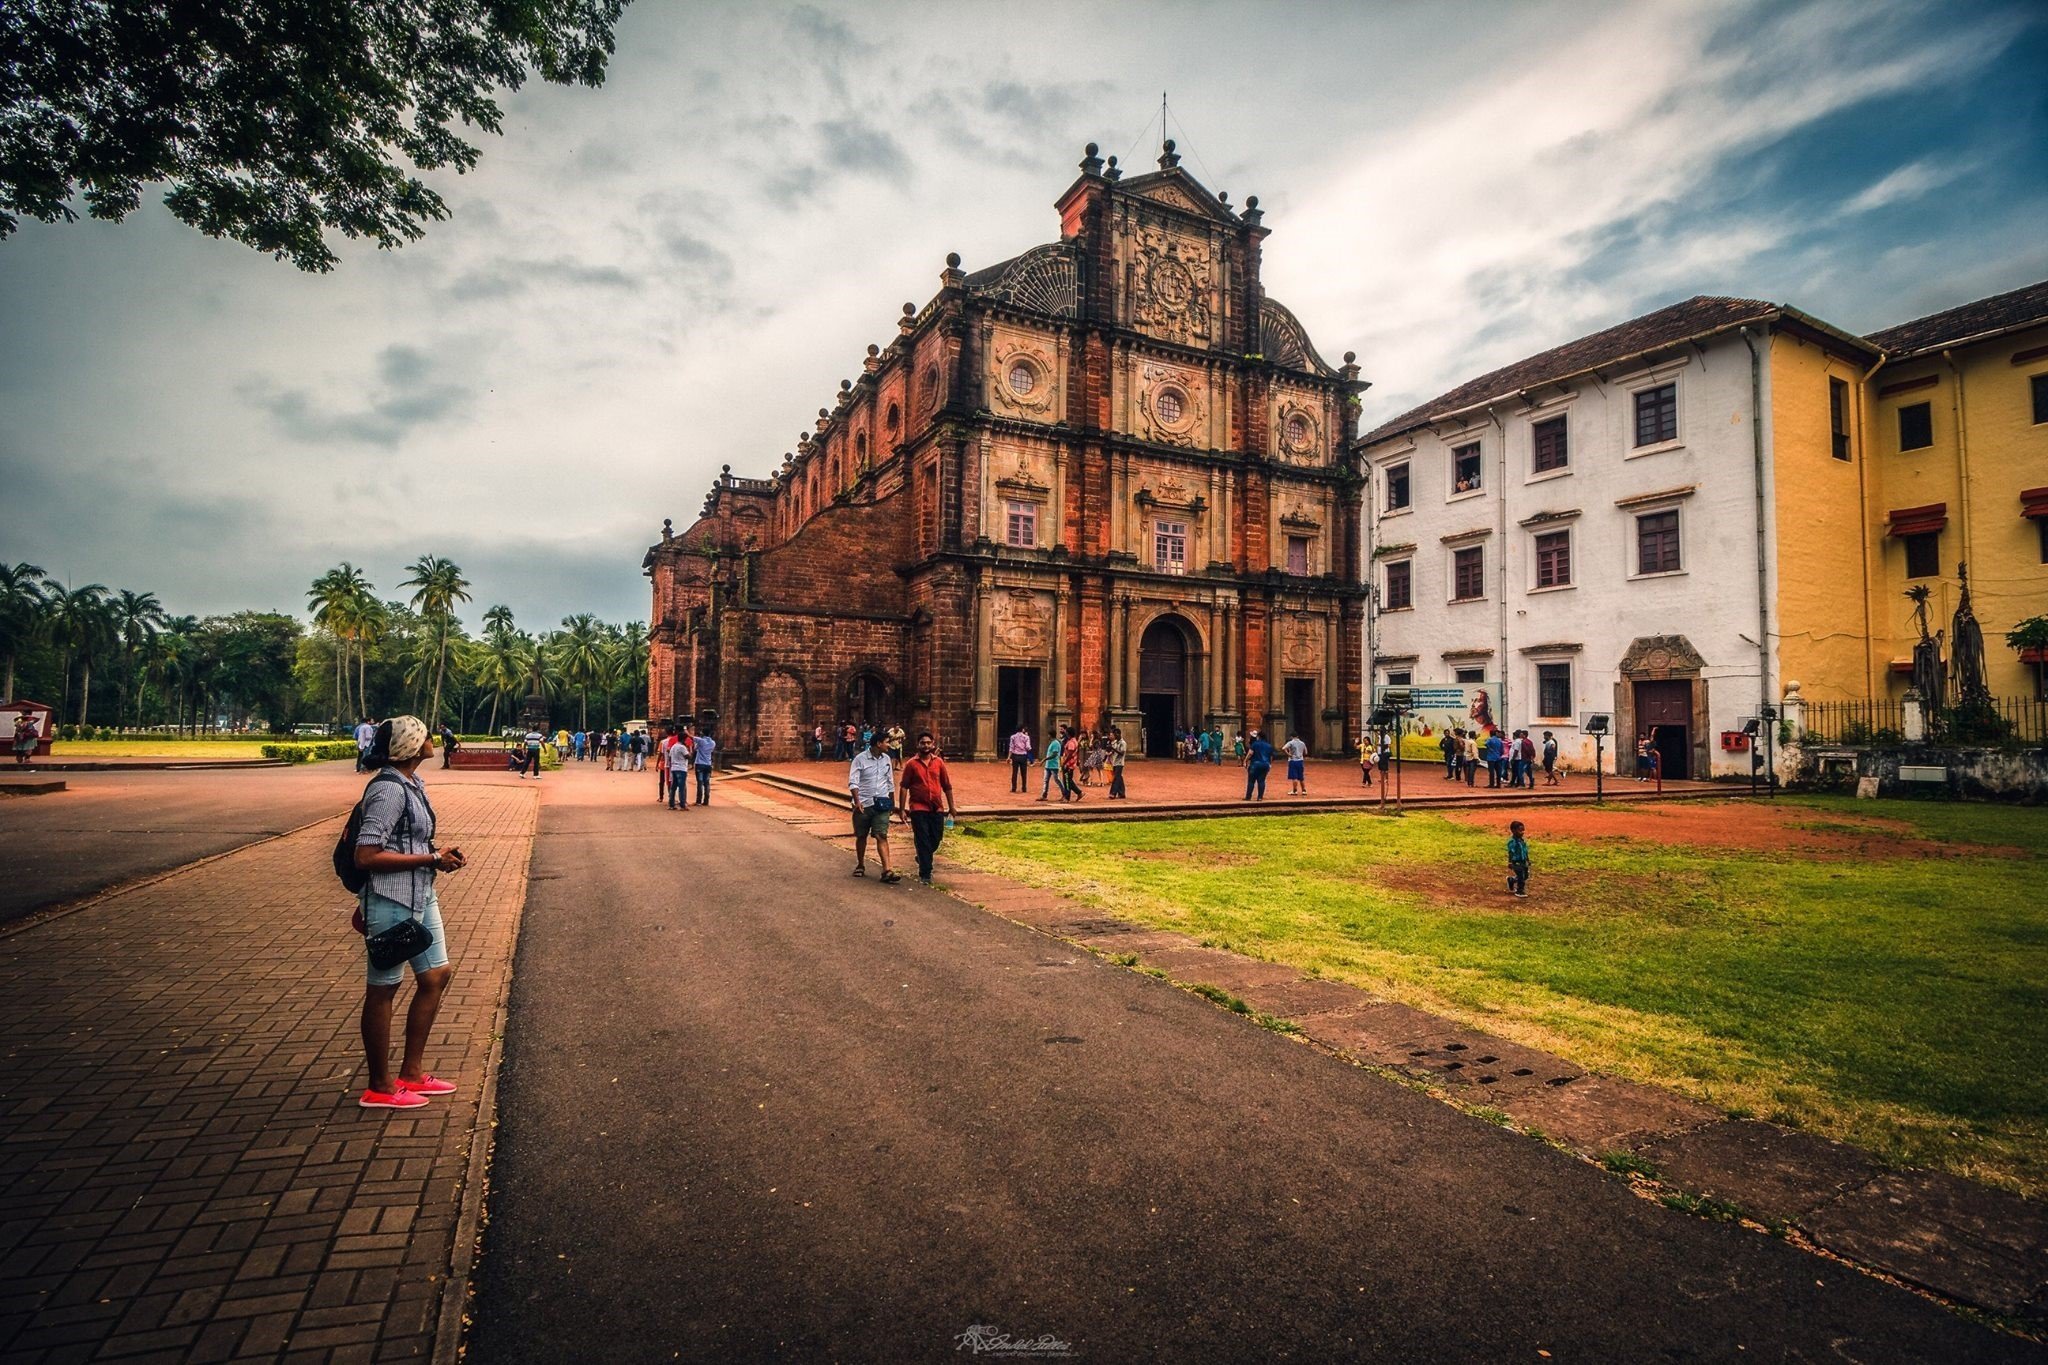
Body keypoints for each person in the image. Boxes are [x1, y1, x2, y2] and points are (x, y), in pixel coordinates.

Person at [353, 715, 466, 1110]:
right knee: (383, 988)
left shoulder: (412, 783)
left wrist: (434, 856)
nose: (433, 740)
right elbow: (366, 854)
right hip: (389, 898)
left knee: (436, 975)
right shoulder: (388, 790)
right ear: (411, 745)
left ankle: (411, 1073)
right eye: (425, 735)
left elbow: (408, 839)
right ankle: (379, 1086)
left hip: (420, 893)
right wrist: (432, 857)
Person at [896, 730, 957, 884]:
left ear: (933, 744)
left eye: (928, 743)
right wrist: (902, 809)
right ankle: (925, 873)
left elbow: (947, 785)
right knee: (922, 839)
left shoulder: (938, 762)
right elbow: (904, 787)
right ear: (918, 744)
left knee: (936, 838)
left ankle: (923, 856)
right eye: (923, 743)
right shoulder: (911, 764)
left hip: (937, 807)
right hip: (918, 808)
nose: (926, 745)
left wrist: (952, 806)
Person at [848, 729, 899, 883]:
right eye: (886, 742)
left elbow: (890, 781)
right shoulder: (860, 759)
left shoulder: (886, 759)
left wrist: (892, 802)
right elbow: (853, 781)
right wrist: (857, 802)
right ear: (878, 743)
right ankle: (861, 864)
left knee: (881, 835)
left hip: (882, 803)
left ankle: (887, 870)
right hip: (864, 803)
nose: (888, 745)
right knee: (861, 835)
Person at [1242, 728, 1274, 800]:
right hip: (1265, 764)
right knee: (1261, 781)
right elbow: (1271, 757)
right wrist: (1269, 764)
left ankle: (1248, 797)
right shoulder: (1269, 746)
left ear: (1258, 737)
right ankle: (1260, 797)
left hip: (1255, 764)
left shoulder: (1255, 744)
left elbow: (1250, 753)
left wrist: (1245, 761)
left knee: (1251, 781)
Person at [666, 725, 693, 810]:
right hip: (681, 768)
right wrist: (691, 752)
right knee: (681, 787)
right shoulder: (682, 747)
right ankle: (682, 805)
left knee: (673, 787)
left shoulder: (673, 746)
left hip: (674, 768)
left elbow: (669, 756)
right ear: (683, 739)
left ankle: (671, 804)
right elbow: (688, 756)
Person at [1506, 820, 1531, 898]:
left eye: (1523, 830)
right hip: (1516, 861)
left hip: (1523, 861)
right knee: (1521, 876)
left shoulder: (1522, 841)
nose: (1522, 832)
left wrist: (1527, 859)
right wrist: (1510, 862)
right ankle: (1520, 890)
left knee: (1526, 875)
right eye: (1520, 830)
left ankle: (1512, 880)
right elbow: (1511, 852)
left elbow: (1525, 851)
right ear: (1513, 831)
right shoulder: (1512, 842)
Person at [692, 726, 716, 804]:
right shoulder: (713, 743)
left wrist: (685, 728)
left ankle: (698, 801)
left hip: (700, 764)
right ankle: (706, 800)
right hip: (708, 764)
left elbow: (690, 737)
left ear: (702, 733)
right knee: (707, 782)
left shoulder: (701, 741)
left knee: (700, 782)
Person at [1007, 723, 1033, 793]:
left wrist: (1009, 757)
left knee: (1014, 773)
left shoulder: (1013, 737)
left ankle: (1013, 788)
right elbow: (1028, 747)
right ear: (1022, 729)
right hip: (1023, 756)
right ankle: (1024, 788)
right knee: (1023, 773)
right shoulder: (1026, 737)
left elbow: (1011, 748)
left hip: (1015, 756)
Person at [1059, 725, 1082, 801]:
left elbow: (1070, 754)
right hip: (1070, 764)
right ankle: (1079, 793)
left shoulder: (1071, 742)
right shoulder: (1073, 741)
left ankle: (1067, 797)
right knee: (1069, 780)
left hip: (1069, 764)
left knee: (1067, 782)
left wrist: (1064, 763)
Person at [1040, 727, 1063, 800]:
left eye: (1048, 735)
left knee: (1057, 780)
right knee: (1046, 780)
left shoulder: (1055, 743)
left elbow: (1055, 754)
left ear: (1050, 735)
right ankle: (1044, 795)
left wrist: (1045, 759)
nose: (1047, 736)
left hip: (1053, 765)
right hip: (1049, 765)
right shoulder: (1052, 743)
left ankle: (1064, 793)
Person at [1108, 728, 1127, 798]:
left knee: (1116, 778)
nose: (1114, 736)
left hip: (1120, 763)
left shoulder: (1123, 743)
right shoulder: (1116, 742)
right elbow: (1113, 751)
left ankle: (1113, 793)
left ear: (1118, 734)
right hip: (1115, 762)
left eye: (1115, 734)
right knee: (1119, 778)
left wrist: (1113, 749)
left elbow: (1121, 753)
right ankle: (1122, 793)